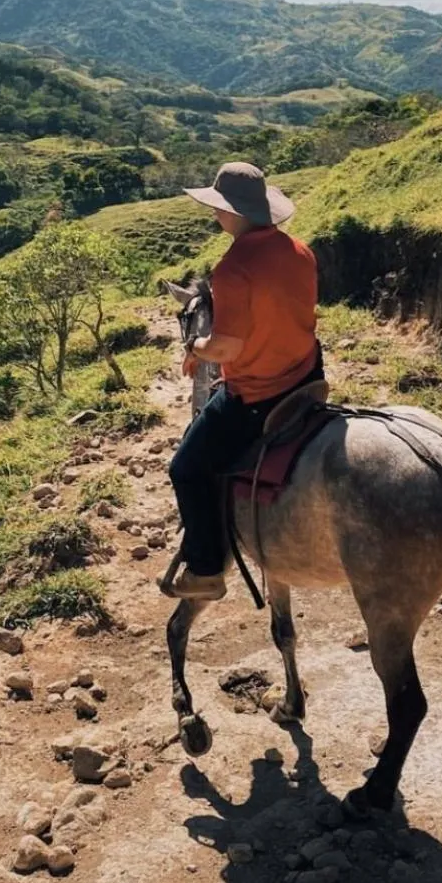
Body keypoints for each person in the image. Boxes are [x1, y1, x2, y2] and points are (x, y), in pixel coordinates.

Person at [167, 161, 322, 600]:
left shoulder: (234, 268)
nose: (214, 215)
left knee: (186, 468)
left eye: (218, 208)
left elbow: (226, 351)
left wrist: (195, 347)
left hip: (260, 394)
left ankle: (205, 571)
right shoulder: (300, 250)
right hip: (308, 377)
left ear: (231, 212)